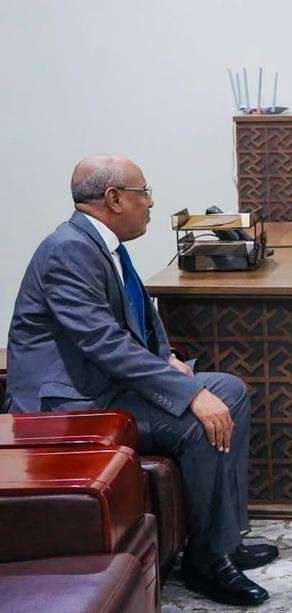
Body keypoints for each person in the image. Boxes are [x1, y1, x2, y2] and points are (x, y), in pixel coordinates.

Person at [3, 155, 277, 607]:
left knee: (229, 390)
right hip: (70, 404)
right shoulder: (68, 250)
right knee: (199, 420)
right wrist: (188, 393)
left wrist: (167, 358)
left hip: (103, 386)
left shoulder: (103, 244)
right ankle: (205, 562)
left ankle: (224, 539)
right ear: (114, 198)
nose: (150, 203)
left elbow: (138, 319)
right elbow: (102, 342)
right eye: (144, 192)